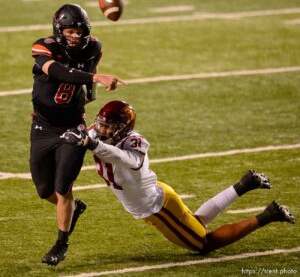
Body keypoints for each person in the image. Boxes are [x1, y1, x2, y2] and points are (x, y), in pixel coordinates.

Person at [61, 100, 296, 255]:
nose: (103, 130)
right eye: (102, 125)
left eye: (109, 127)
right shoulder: (98, 132)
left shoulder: (134, 142)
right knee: (195, 223)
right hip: (159, 196)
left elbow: (126, 159)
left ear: (124, 127)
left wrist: (91, 143)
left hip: (154, 207)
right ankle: (246, 183)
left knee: (203, 244)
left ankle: (269, 215)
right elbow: (82, 131)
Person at [30, 4, 126, 266]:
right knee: (44, 190)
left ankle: (61, 243)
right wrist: (95, 79)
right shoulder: (44, 46)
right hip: (42, 126)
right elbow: (60, 72)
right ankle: (75, 208)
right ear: (59, 31)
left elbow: (92, 64)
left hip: (73, 126)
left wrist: (90, 94)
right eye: (69, 31)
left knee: (63, 188)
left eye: (78, 31)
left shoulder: (93, 45)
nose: (74, 36)